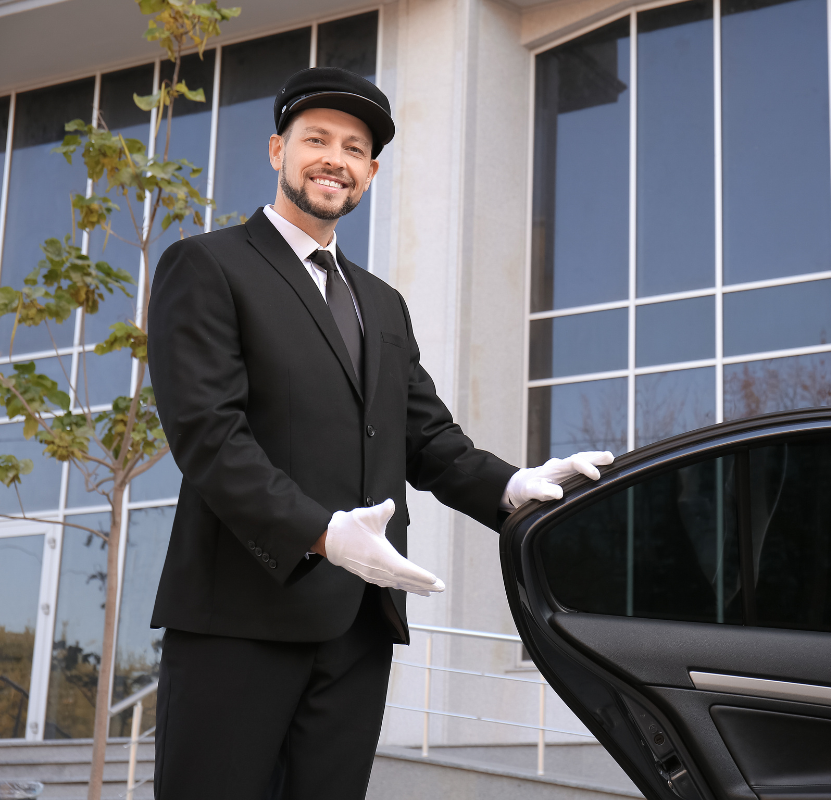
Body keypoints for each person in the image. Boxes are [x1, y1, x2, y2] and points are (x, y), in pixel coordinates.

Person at [146, 67, 612, 800]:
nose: (336, 158)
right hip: (240, 618)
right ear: (276, 151)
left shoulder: (382, 303)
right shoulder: (207, 265)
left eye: (355, 148)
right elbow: (209, 435)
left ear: (371, 171)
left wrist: (514, 486)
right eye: (317, 140)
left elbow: (427, 438)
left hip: (358, 628)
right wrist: (322, 533)